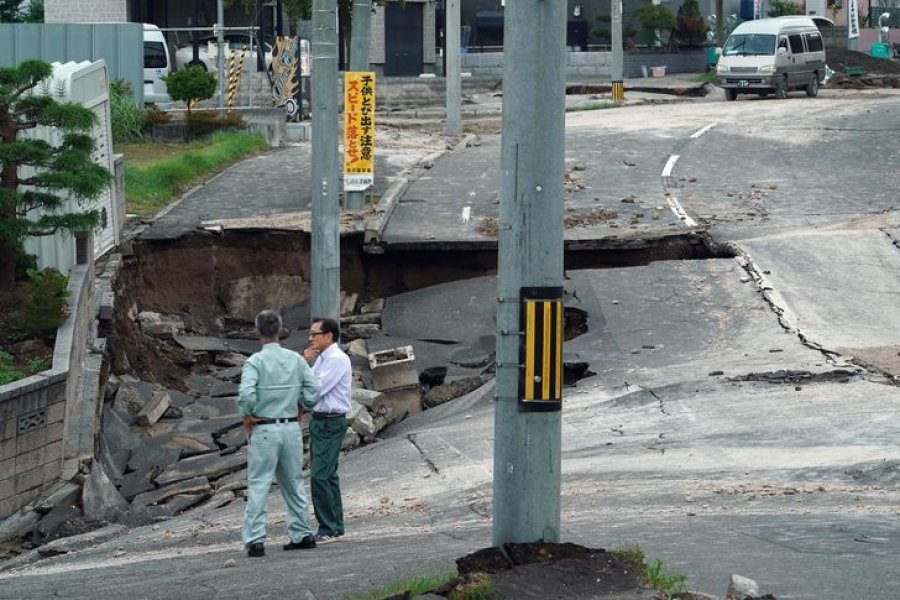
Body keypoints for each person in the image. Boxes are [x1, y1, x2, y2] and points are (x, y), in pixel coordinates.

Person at [239, 309, 320, 558]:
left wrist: (248, 413)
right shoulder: (295, 359)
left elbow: (247, 394)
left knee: (259, 484)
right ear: (280, 331)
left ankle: (255, 540)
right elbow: (314, 391)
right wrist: (301, 403)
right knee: (294, 482)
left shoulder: (255, 362)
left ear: (258, 331)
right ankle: (302, 533)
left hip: (264, 427)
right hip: (291, 428)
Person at [302, 316, 352, 544]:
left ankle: (327, 527)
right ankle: (336, 525)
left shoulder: (337, 359)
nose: (310, 338)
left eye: (315, 334)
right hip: (319, 420)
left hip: (331, 421)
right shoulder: (322, 359)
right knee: (329, 475)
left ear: (329, 336)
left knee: (319, 476)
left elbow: (315, 390)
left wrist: (302, 366)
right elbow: (309, 384)